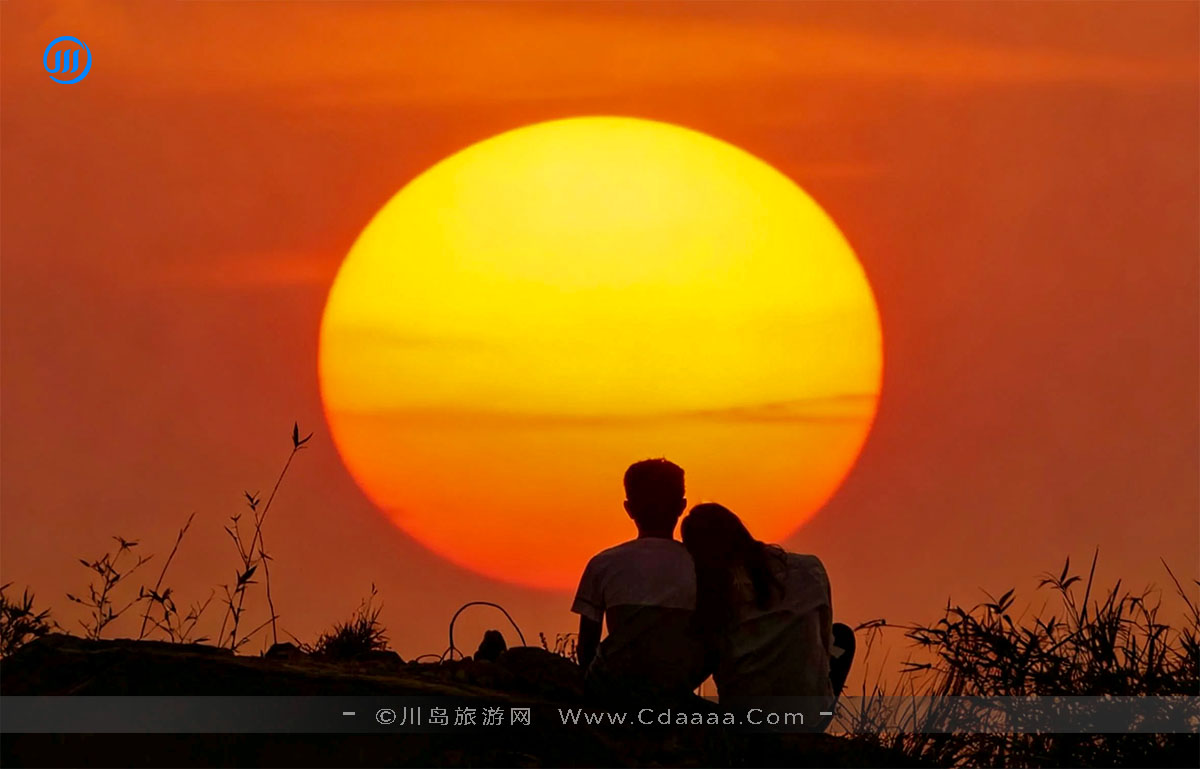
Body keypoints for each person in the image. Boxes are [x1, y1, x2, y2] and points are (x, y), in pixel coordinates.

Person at [570, 459, 707, 699]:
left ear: (629, 508)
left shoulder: (603, 563)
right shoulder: (703, 567)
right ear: (681, 506)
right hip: (675, 688)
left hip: (612, 685)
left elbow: (586, 647)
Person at [680, 502, 839, 702]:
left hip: (747, 718)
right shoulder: (810, 568)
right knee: (840, 638)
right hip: (811, 715)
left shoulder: (715, 596)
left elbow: (698, 668)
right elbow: (824, 637)